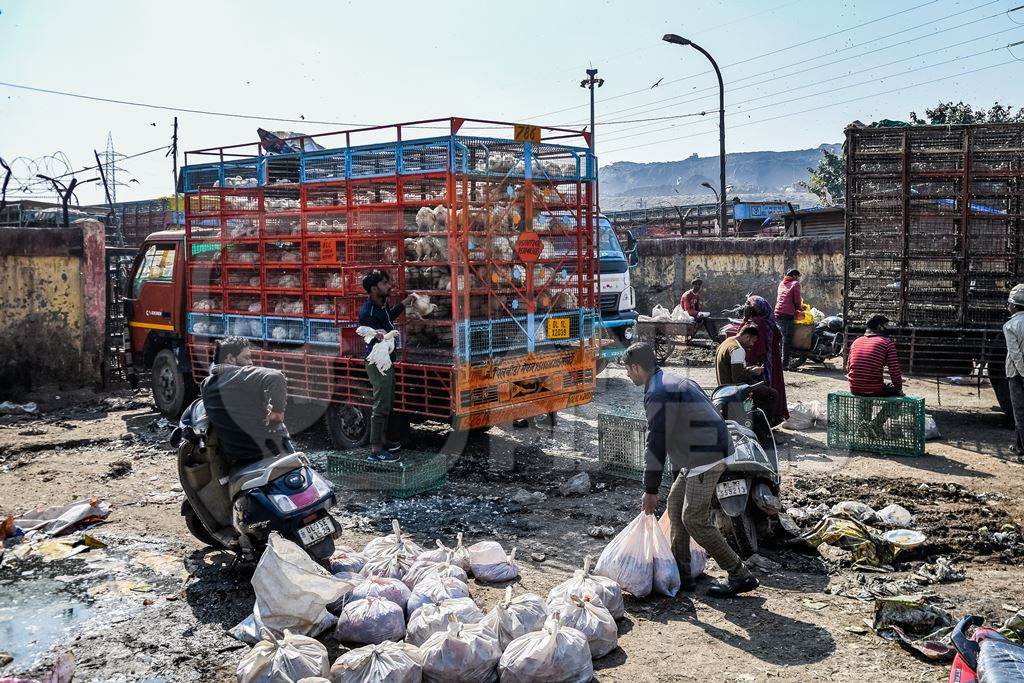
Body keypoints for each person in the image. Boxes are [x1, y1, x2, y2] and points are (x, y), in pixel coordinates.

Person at [623, 342, 758, 598]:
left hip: (706, 455)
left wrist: (649, 489)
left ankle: (740, 574)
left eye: (628, 370)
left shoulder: (657, 392)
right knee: (675, 506)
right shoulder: (668, 381)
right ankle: (681, 575)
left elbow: (657, 442)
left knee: (693, 518)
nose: (628, 375)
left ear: (637, 368)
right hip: (702, 452)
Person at [200, 336, 288, 464]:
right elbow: (277, 377)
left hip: (235, 458)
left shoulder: (206, 385)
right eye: (246, 357)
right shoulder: (240, 374)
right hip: (267, 454)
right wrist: (276, 413)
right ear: (230, 358)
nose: (251, 363)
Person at [359, 270, 415, 463]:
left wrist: (405, 303)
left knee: (387, 402)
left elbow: (389, 317)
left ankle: (382, 441)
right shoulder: (368, 312)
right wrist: (377, 334)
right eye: (385, 284)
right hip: (377, 363)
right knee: (381, 404)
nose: (389, 286)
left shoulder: (382, 305)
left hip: (387, 361)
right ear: (374, 288)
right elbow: (368, 333)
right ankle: (375, 451)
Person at [715, 325, 776, 443]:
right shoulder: (738, 349)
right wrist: (752, 371)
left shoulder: (727, 342)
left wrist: (748, 369)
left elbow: (734, 369)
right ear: (747, 336)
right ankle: (762, 433)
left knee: (763, 389)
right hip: (734, 390)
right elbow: (738, 378)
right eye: (752, 341)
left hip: (723, 387)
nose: (752, 345)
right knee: (772, 394)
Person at [847, 314, 904, 436]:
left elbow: (849, 367)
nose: (888, 328)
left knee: (867, 388)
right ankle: (876, 424)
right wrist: (899, 389)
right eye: (886, 326)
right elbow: (895, 371)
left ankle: (863, 425)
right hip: (872, 388)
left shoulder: (856, 342)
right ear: (879, 327)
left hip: (854, 388)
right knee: (898, 399)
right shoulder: (886, 343)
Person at [741, 295, 789, 425]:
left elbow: (755, 348)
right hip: (771, 362)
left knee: (760, 394)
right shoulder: (769, 321)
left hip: (760, 365)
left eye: (749, 306)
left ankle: (760, 423)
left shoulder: (758, 322)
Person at [1002, 284, 1024, 454]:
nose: (1008, 306)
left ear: (1015, 306)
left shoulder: (1010, 326)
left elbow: (1015, 354)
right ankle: (1019, 446)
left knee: (1020, 412)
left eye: (1009, 303)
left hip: (1017, 374)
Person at [774, 269, 803, 368]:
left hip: (778, 313)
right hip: (787, 314)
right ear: (795, 276)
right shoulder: (795, 284)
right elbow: (797, 301)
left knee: (781, 338)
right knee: (787, 340)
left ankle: (778, 362)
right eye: (798, 276)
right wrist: (800, 308)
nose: (799, 279)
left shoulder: (781, 283)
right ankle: (784, 365)